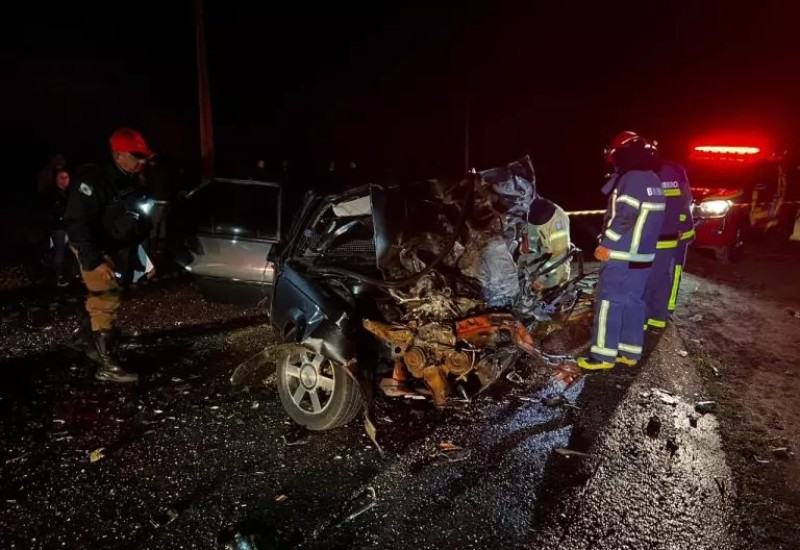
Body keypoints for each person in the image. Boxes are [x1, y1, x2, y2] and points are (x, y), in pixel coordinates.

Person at [64, 128, 155, 383]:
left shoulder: (131, 179)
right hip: (96, 250)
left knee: (107, 297)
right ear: (118, 155)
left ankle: (84, 339)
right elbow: (77, 222)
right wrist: (94, 259)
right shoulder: (94, 179)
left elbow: (136, 220)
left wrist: (143, 256)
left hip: (120, 250)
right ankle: (107, 365)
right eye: (136, 156)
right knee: (106, 300)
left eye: (145, 156)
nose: (142, 161)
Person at [577, 131, 666, 370]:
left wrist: (606, 243)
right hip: (644, 256)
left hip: (622, 256)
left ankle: (602, 356)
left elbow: (625, 216)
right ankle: (629, 352)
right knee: (633, 302)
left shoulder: (632, 179)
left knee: (608, 303)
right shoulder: (653, 179)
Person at [643, 160, 695, 338]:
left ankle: (656, 314)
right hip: (675, 231)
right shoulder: (675, 170)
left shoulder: (654, 172)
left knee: (656, 275)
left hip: (666, 234)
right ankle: (661, 315)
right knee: (667, 274)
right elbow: (686, 199)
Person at [518, 194, 572, 291]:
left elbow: (560, 256)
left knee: (558, 265)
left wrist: (542, 279)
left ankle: (556, 288)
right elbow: (528, 250)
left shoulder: (557, 221)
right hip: (535, 223)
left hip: (555, 261)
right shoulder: (527, 212)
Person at [42, 167, 73, 287]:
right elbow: (51, 211)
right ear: (56, 179)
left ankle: (72, 274)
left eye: (67, 177)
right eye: (61, 177)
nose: (64, 180)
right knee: (59, 251)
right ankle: (59, 277)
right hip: (58, 227)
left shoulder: (70, 192)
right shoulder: (52, 194)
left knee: (73, 250)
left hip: (70, 225)